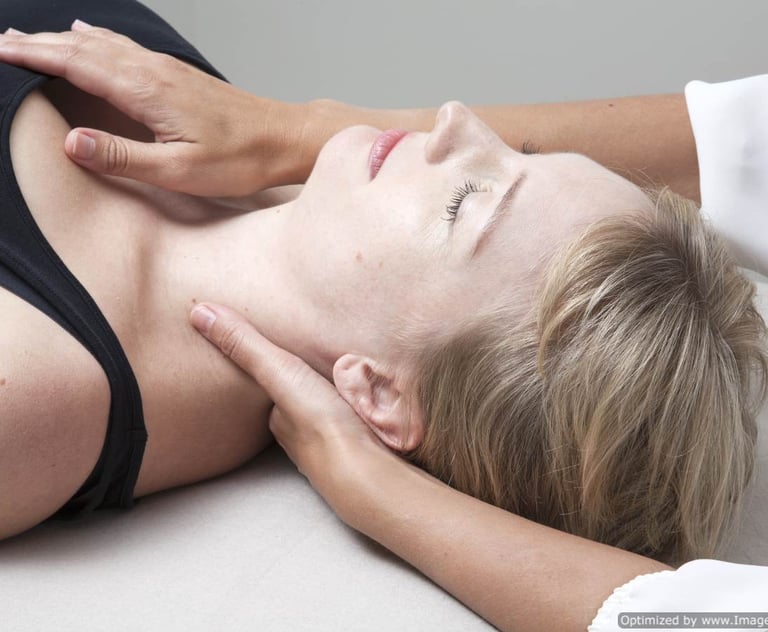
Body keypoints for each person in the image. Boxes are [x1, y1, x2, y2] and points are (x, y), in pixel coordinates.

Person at [1, 6, 767, 632]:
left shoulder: (36, 397)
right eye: (522, 153)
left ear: (378, 393)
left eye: (465, 202)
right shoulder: (208, 110)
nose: (457, 119)